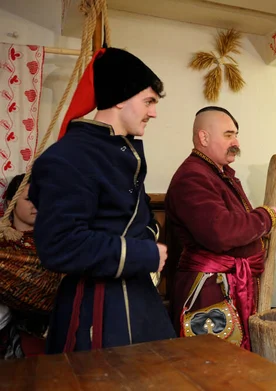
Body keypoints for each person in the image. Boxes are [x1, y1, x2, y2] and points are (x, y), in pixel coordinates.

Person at [28, 47, 176, 353]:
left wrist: (149, 243)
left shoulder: (120, 152)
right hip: (96, 311)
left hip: (139, 301)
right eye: (148, 101)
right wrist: (144, 253)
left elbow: (141, 215)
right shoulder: (68, 157)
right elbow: (60, 245)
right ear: (120, 98)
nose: (154, 112)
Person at [166, 106, 276, 350]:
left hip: (226, 285)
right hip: (208, 291)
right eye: (228, 135)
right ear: (203, 137)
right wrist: (266, 217)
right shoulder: (192, 177)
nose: (236, 141)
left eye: (236, 134)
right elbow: (222, 231)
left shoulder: (217, 173)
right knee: (213, 368)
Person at [0, 174, 49, 358]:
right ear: (10, 202)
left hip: (41, 335)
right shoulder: (3, 243)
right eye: (29, 199)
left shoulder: (54, 243)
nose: (36, 204)